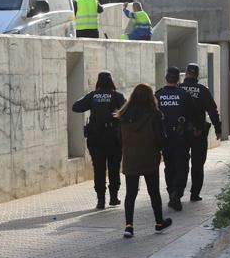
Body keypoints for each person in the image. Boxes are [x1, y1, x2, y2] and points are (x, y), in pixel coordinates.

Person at [115, 83, 172, 238]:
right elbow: (161, 138)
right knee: (154, 192)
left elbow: (119, 139)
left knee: (130, 193)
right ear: (150, 97)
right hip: (150, 158)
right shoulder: (154, 115)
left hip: (130, 158)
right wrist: (164, 151)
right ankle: (159, 223)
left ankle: (129, 226)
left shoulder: (123, 116)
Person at [72, 71, 125, 208]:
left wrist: (90, 97)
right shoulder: (117, 96)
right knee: (114, 167)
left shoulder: (92, 96)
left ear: (98, 82)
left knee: (99, 168)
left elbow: (76, 107)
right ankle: (114, 197)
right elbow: (127, 110)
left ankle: (100, 199)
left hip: (96, 138)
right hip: (113, 138)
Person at [156, 66, 199, 211]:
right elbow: (195, 113)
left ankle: (171, 193)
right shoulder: (184, 94)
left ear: (166, 78)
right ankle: (177, 193)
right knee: (182, 166)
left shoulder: (158, 95)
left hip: (165, 137)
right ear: (178, 79)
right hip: (181, 137)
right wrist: (197, 128)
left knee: (169, 166)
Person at [180, 63, 223, 201]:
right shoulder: (202, 89)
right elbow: (212, 111)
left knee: (181, 163)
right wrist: (218, 128)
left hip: (181, 133)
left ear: (186, 73)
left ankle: (177, 192)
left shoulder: (178, 89)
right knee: (198, 164)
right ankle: (194, 193)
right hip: (199, 132)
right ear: (197, 75)